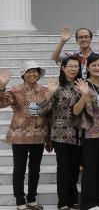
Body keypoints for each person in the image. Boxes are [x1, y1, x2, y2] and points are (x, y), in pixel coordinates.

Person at [0, 62, 50, 210]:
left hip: (39, 135)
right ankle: (20, 201)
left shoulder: (46, 91)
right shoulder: (14, 90)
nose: (32, 74)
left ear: (39, 74)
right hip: (19, 135)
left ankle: (32, 199)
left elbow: (49, 113)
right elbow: (1, 103)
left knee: (35, 169)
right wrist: (2, 86)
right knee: (19, 169)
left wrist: (49, 137)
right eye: (28, 72)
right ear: (23, 75)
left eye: (35, 71)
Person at [39, 56, 82, 210]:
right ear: (63, 68)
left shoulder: (81, 85)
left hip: (78, 134)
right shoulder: (56, 86)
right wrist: (49, 93)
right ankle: (63, 201)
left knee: (75, 168)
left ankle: (73, 199)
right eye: (70, 66)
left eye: (76, 66)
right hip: (60, 133)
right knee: (64, 168)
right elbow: (42, 110)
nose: (73, 69)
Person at [73, 54, 99, 210]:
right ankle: (88, 203)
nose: (97, 68)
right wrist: (84, 95)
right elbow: (76, 111)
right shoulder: (82, 84)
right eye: (94, 65)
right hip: (89, 133)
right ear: (87, 67)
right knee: (90, 168)